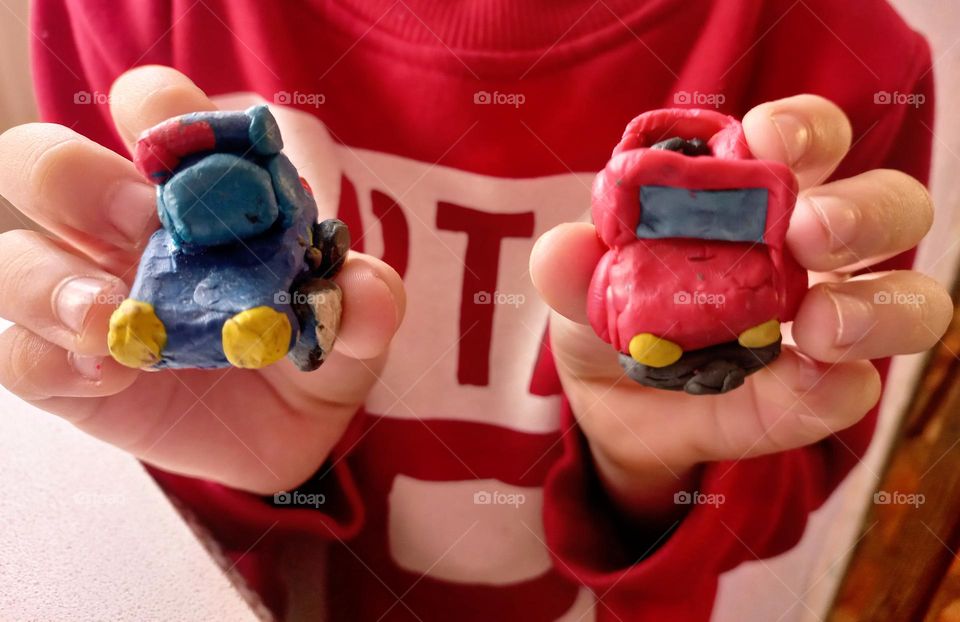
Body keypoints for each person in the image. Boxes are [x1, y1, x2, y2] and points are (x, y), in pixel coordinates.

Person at [0, 0, 951, 619]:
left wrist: (652, 467)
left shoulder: (841, 57)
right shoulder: (124, 18)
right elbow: (131, 398)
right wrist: (218, 449)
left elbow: (786, 480)